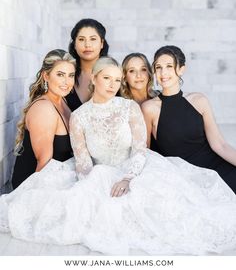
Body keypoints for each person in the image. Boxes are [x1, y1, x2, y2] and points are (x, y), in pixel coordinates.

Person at [1, 57, 236, 255]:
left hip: (136, 170)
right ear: (93, 78)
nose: (113, 84)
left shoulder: (129, 108)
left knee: (172, 215)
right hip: (99, 173)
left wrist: (128, 178)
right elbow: (83, 162)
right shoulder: (79, 116)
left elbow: (140, 149)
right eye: (106, 78)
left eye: (117, 80)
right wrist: (94, 185)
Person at [142, 45, 236, 194]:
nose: (163, 72)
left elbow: (220, 145)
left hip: (217, 168)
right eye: (158, 67)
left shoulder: (199, 100)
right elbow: (146, 152)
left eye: (169, 66)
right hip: (184, 178)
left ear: (181, 69)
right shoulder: (149, 108)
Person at [11, 49, 76, 189]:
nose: (67, 81)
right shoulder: (44, 109)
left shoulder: (62, 101)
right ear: (46, 76)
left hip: (59, 178)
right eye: (60, 75)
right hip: (35, 186)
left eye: (71, 75)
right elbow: (44, 164)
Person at [66, 18, 109, 111]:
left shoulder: (114, 73)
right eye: (81, 39)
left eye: (93, 39)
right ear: (74, 44)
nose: (87, 44)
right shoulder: (65, 74)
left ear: (102, 43)